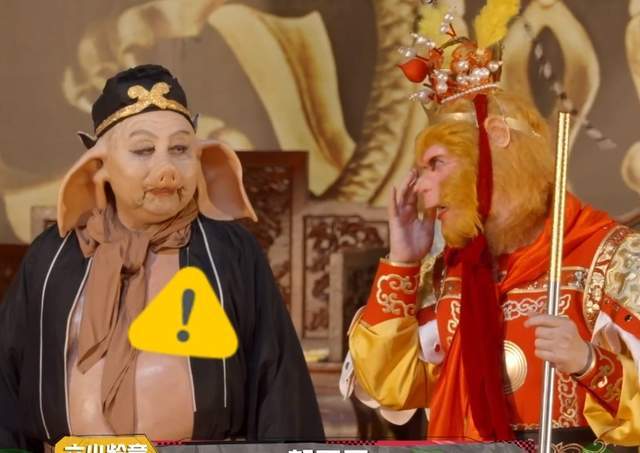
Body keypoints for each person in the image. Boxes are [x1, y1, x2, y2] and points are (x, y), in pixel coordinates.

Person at [341, 2, 640, 449]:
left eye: (436, 164)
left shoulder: (610, 258)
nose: (419, 187)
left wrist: (589, 363)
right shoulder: (452, 271)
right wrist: (402, 262)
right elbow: (389, 386)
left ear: (496, 140)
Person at [0, 64, 324, 451]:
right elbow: (5, 381)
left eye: (180, 149)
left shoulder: (228, 252)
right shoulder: (54, 254)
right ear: (99, 166)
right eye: (143, 150)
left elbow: (279, 383)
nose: (166, 169)